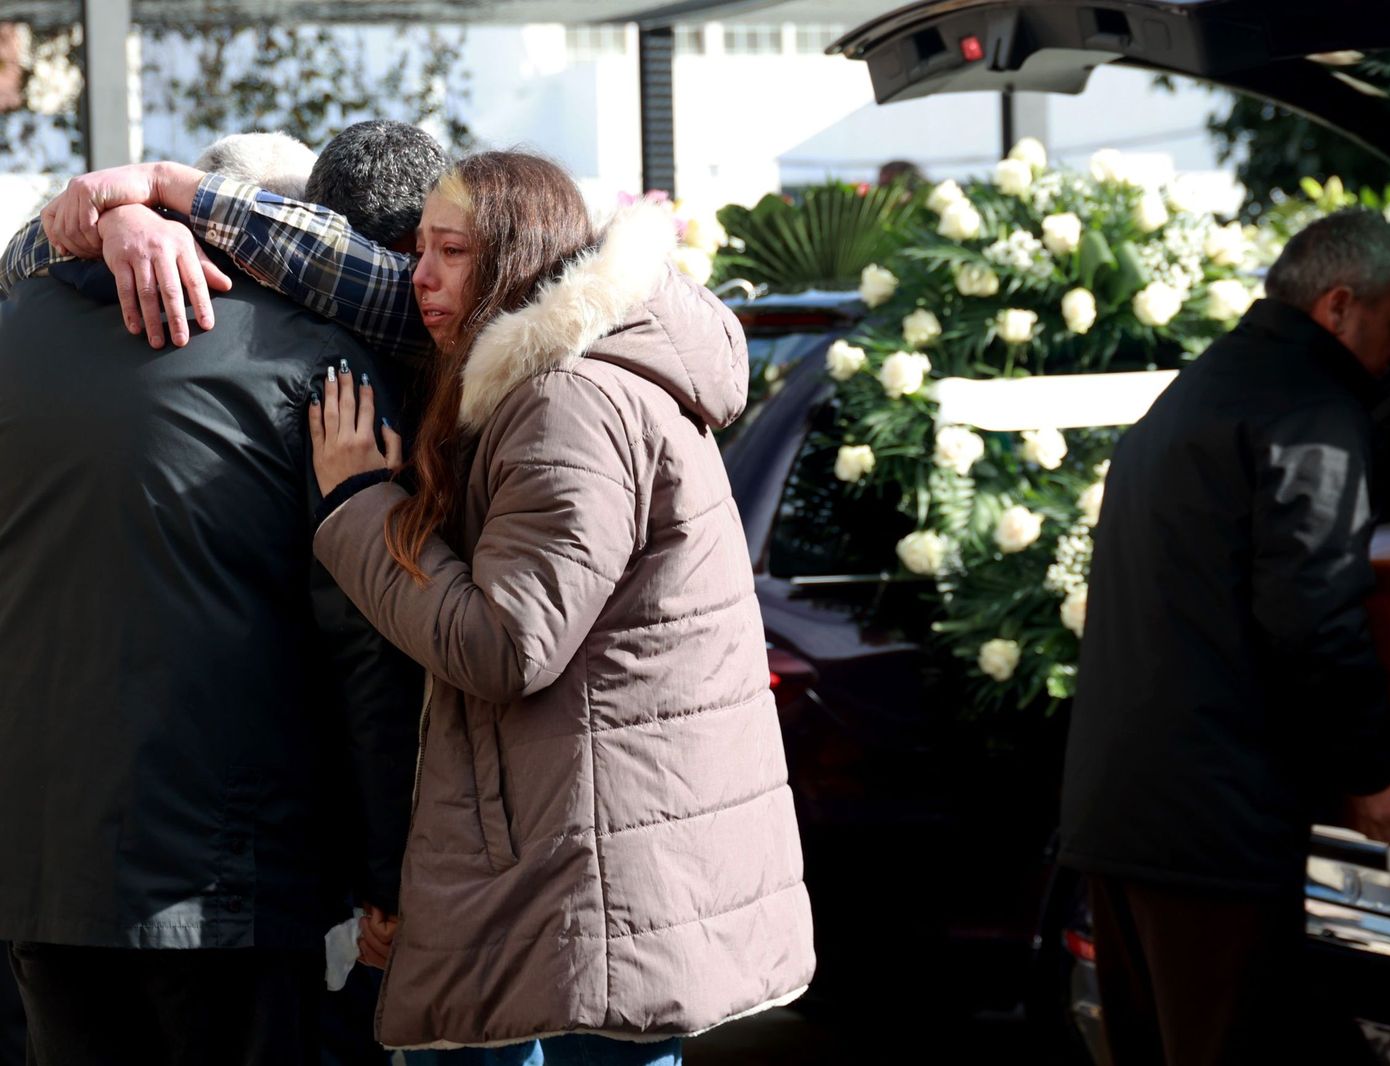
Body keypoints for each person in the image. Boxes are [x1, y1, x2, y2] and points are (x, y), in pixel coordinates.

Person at [33, 150, 816, 1062]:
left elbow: (506, 643)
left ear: (518, 263)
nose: (414, 278)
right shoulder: (560, 375)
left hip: (591, 873)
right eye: (418, 250)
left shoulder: (570, 399)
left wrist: (359, 500)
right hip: (576, 863)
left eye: (448, 252)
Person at [0, 126, 446, 1066]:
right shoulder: (314, 362)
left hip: (42, 863)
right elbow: (365, 643)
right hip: (228, 867)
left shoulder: (17, 327)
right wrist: (390, 874)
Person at [1056, 208, 1390, 1066]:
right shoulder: (1309, 412)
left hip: (1123, 813)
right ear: (1338, 307)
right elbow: (1313, 612)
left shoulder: (1199, 391)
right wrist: (1375, 766)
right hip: (1216, 826)